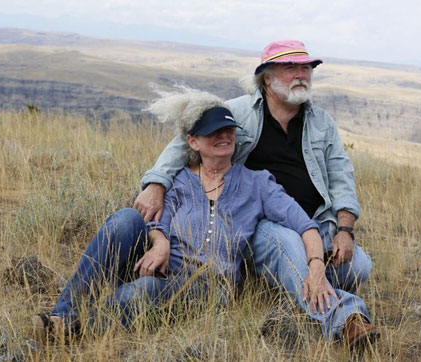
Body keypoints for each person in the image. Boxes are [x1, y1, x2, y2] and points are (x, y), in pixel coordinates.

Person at [34, 88, 365, 346]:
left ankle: (74, 329)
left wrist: (317, 265)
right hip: (166, 267)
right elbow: (155, 220)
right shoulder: (178, 181)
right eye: (212, 132)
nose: (223, 136)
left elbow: (303, 225)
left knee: (142, 292)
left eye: (229, 130)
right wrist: (160, 241)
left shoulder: (257, 183)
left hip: (207, 287)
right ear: (192, 141)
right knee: (123, 221)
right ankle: (63, 316)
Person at [134, 40, 378, 348]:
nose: (301, 74)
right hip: (258, 220)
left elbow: (341, 177)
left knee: (359, 267)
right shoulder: (237, 112)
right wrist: (156, 186)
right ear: (267, 77)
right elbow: (182, 145)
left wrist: (345, 228)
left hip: (313, 221)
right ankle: (346, 319)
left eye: (306, 67)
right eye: (291, 68)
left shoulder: (322, 123)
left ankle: (293, 281)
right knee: (286, 243)